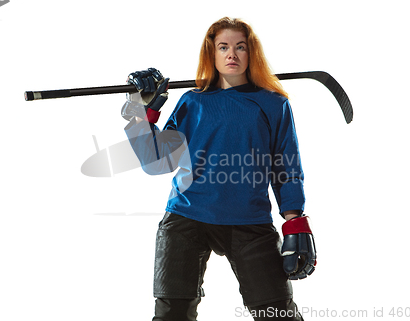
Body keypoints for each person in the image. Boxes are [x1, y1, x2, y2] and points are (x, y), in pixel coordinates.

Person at [121, 17, 316, 321]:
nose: (232, 54)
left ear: (252, 53)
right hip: (187, 216)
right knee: (171, 315)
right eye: (223, 47)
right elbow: (157, 162)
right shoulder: (192, 102)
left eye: (240, 47)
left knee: (277, 314)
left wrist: (295, 220)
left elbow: (285, 167)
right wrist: (140, 113)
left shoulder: (273, 104)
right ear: (211, 54)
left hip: (248, 221)